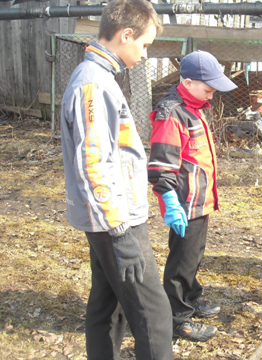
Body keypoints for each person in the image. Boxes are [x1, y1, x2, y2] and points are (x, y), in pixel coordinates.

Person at [60, 1, 173, 359]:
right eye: (144, 45)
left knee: (107, 306)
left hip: (108, 217)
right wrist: (121, 233)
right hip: (115, 221)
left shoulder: (99, 77)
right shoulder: (94, 85)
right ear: (126, 35)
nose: (144, 54)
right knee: (154, 317)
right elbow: (94, 163)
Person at [148, 50, 237, 342]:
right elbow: (162, 164)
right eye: (208, 90)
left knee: (194, 256)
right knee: (181, 263)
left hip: (200, 201)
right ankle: (176, 318)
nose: (211, 97)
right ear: (187, 82)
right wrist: (171, 202)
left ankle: (191, 297)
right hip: (185, 204)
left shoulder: (193, 108)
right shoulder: (172, 114)